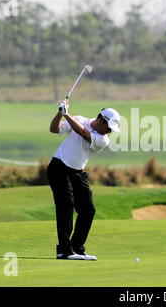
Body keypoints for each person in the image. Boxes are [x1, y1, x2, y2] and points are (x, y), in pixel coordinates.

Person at [47, 98, 120, 260]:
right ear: (101, 120)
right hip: (58, 168)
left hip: (77, 172)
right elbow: (54, 129)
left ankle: (77, 248)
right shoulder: (79, 119)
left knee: (88, 210)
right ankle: (64, 251)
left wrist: (66, 114)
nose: (109, 132)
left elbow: (83, 133)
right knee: (66, 205)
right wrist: (60, 113)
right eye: (109, 128)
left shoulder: (103, 140)